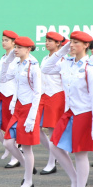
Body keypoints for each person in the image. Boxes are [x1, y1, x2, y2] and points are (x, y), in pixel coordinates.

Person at [43, 31, 93, 187]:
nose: (71, 45)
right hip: (69, 112)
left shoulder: (90, 67)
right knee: (54, 146)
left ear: (86, 45)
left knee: (80, 153)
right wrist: (61, 51)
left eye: (76, 42)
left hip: (84, 113)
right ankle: (75, 179)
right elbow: (45, 69)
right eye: (71, 42)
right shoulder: (66, 62)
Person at [0, 36, 42, 187]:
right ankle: (27, 166)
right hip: (18, 108)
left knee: (26, 147)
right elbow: (3, 78)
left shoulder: (34, 67)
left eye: (19, 47)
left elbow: (37, 93)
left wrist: (32, 117)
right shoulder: (17, 64)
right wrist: (8, 61)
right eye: (15, 47)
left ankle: (28, 181)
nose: (15, 50)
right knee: (8, 143)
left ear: (28, 49)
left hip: (29, 108)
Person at [38, 32, 67, 175]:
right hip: (43, 96)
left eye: (50, 41)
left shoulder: (63, 60)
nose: (47, 43)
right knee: (36, 128)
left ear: (58, 44)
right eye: (46, 40)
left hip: (56, 95)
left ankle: (51, 162)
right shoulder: (45, 58)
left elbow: (65, 82)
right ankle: (56, 153)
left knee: (52, 131)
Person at [0, 30, 20, 167]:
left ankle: (15, 157)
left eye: (6, 40)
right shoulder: (2, 58)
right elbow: (0, 78)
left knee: (11, 127)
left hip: (11, 95)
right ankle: (8, 147)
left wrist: (16, 97)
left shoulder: (17, 58)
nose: (3, 42)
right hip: (0, 94)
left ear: (14, 43)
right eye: (3, 40)